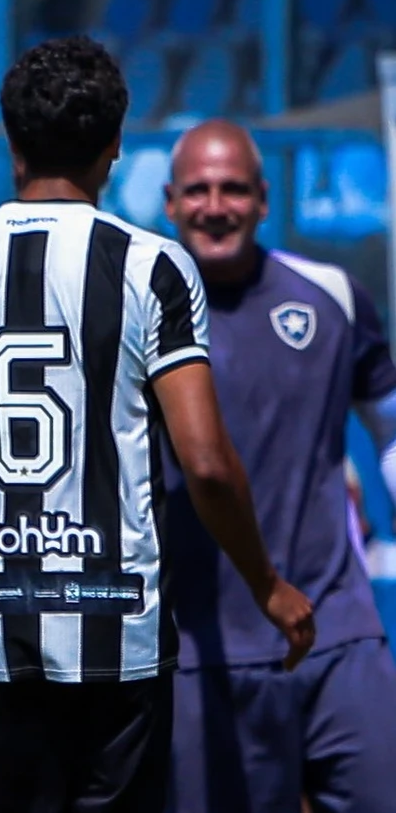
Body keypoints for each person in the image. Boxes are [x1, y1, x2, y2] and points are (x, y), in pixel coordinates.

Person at [0, 37, 314, 813]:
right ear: (114, 148)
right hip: (116, 640)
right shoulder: (152, 265)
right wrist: (267, 585)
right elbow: (204, 461)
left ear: (10, 143)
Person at [161, 119, 396, 813]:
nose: (215, 205)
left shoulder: (333, 296)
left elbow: (388, 425)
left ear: (264, 198)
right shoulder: (137, 307)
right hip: (201, 647)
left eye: (233, 189)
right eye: (197, 190)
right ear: (170, 201)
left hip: (338, 631)